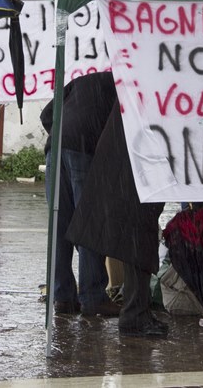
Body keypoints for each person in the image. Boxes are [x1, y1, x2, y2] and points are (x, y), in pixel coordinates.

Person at [68, 106, 167, 337]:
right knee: (140, 239)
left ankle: (136, 312)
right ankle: (135, 315)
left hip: (131, 162)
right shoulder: (139, 93)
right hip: (136, 166)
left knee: (138, 239)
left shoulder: (133, 92)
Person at [40, 71, 120, 317]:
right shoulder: (127, 84)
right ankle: (93, 297)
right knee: (90, 223)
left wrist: (64, 132)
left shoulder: (84, 78)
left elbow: (46, 114)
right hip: (85, 147)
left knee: (60, 222)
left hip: (57, 146)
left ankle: (62, 297)